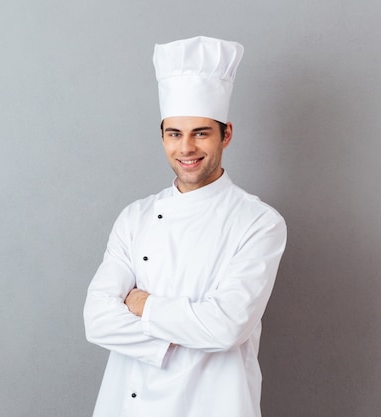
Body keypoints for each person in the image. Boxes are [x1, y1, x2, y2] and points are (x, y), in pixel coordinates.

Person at [83, 36, 287, 417]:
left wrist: (142, 304)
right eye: (174, 134)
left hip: (213, 405)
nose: (186, 148)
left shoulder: (259, 223)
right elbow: (96, 321)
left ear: (226, 133)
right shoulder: (135, 217)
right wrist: (183, 331)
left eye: (200, 133)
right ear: (162, 137)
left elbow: (225, 328)